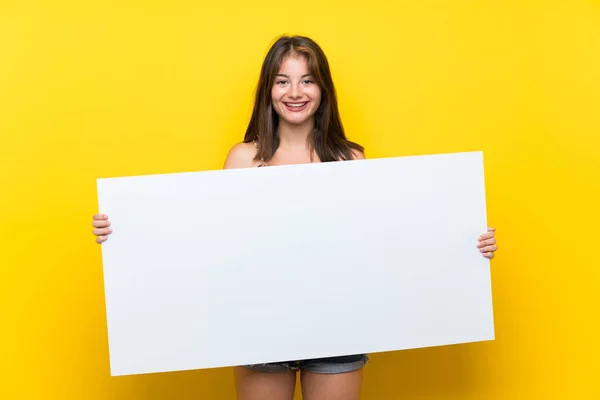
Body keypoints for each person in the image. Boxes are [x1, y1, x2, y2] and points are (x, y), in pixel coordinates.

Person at [91, 35, 498, 400]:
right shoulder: (243, 159)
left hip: (338, 323)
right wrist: (126, 231)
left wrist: (464, 245)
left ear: (323, 89)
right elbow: (209, 242)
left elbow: (385, 242)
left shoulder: (350, 159)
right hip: (259, 325)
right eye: (283, 80)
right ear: (269, 90)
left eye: (307, 80)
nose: (295, 92)